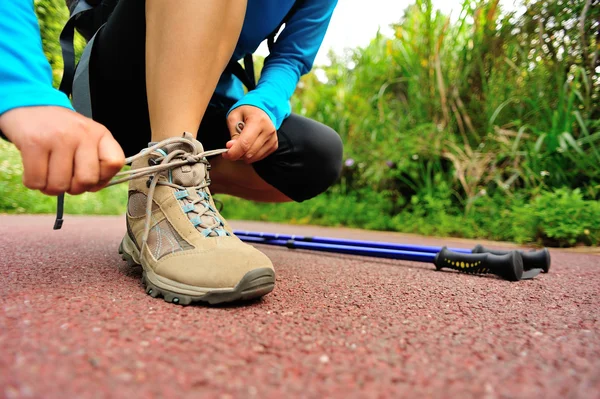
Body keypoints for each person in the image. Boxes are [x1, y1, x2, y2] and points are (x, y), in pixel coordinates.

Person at [0, 0, 343, 305]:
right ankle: (169, 173)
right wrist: (21, 86)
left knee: (316, 155)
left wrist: (264, 103)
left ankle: (168, 191)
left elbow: (292, 56)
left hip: (202, 102)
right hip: (120, 80)